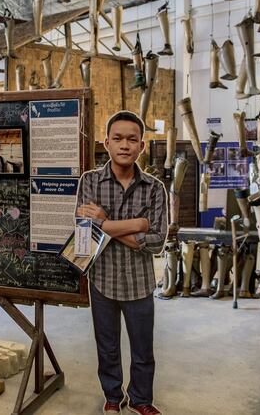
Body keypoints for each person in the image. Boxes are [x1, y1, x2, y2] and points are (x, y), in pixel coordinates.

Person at [75, 110, 167, 415]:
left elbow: (156, 241)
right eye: (117, 138)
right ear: (107, 143)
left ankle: (141, 399)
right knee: (107, 347)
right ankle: (113, 396)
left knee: (143, 349)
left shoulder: (154, 188)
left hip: (140, 282)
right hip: (102, 280)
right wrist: (137, 224)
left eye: (131, 139)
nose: (124, 145)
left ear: (141, 145)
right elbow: (84, 233)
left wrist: (105, 222)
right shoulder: (90, 182)